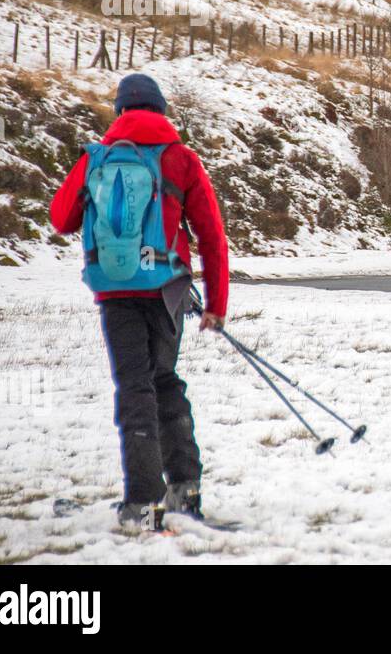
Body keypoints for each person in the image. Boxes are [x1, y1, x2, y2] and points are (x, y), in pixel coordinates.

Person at [50, 73, 228, 531]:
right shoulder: (181, 159)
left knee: (135, 387)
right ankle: (184, 489)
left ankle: (141, 503)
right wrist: (216, 303)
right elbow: (211, 236)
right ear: (162, 110)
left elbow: (61, 219)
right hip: (167, 288)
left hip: (114, 289)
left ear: (120, 112)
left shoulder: (96, 159)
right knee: (165, 380)